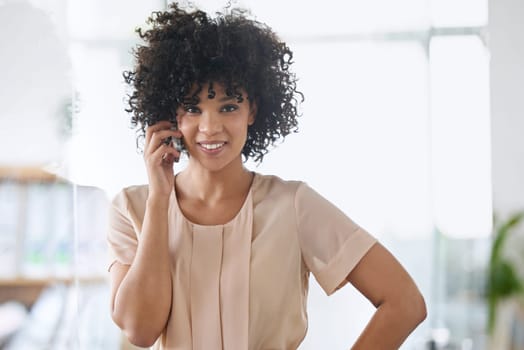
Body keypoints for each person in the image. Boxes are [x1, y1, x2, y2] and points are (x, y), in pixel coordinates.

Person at [107, 3, 427, 349]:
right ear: (172, 114)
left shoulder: (292, 205)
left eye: (228, 106)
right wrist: (159, 200)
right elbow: (140, 331)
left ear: (253, 110)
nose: (210, 127)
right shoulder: (133, 208)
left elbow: (404, 303)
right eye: (192, 108)